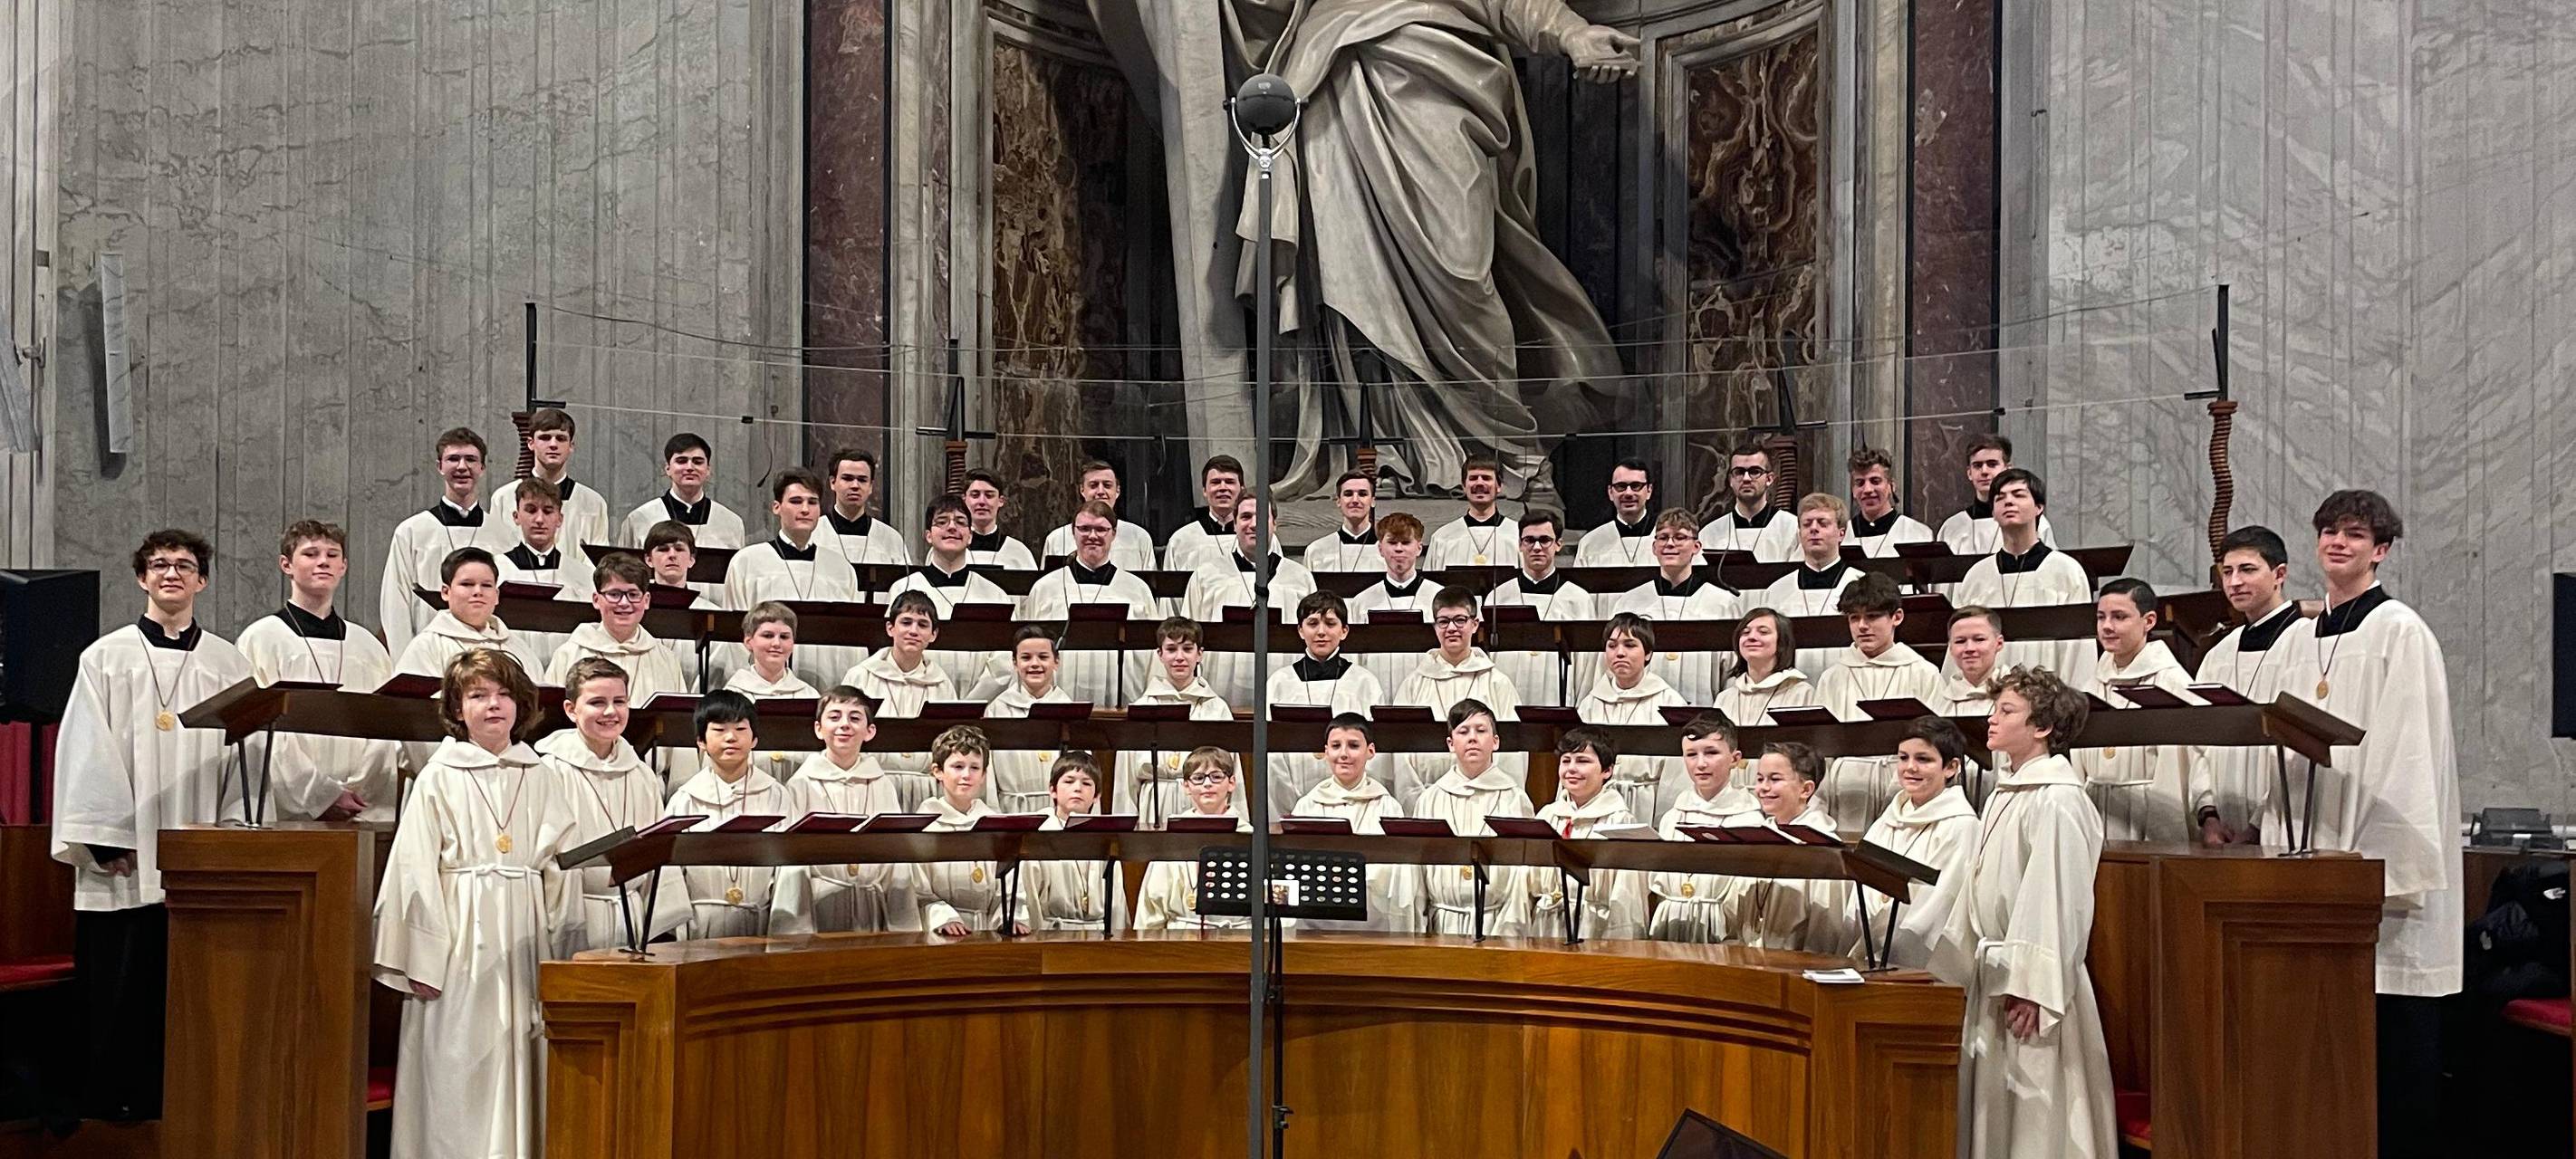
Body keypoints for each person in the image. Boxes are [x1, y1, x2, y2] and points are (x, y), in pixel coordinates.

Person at [51, 531, 271, 1120]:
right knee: (122, 984)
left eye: (184, 565)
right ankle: (116, 1107)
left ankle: (190, 1098)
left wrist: (232, 830)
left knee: (193, 987)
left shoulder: (228, 662)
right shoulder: (106, 657)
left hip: (199, 849)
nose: (171, 574)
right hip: (127, 851)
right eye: (158, 565)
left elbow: (242, 757)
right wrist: (103, 835)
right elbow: (85, 748)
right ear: (142, 578)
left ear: (202, 580)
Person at [2266, 491, 2458, 1159]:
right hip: (2315, 860)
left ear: (2381, 550)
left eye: (2354, 534)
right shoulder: (2301, 636)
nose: (2337, 543)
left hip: (2373, 874)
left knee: (2393, 1048)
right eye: (2327, 531)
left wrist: (2373, 867)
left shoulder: (2399, 631)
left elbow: (2409, 755)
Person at [371, 647, 582, 1159]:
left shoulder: (543, 774)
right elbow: (413, 872)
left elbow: (560, 867)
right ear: (457, 708)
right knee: (458, 1061)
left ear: (522, 705)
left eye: (505, 695)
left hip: (526, 937)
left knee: (524, 1053)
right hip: (459, 942)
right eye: (479, 695)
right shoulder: (439, 776)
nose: (494, 706)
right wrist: (420, 957)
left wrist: (563, 952)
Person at [1934, 665, 2115, 1159]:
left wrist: (2031, 987)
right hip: (1996, 973)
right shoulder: (2005, 792)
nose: (1991, 719)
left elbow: (2056, 898)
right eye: (1994, 708)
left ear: (2043, 727)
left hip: (2033, 989)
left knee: (2038, 1124)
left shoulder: (2058, 800)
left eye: (2006, 710)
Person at [237, 520, 400, 822]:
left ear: (344, 566)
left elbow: (386, 727)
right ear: (286, 564)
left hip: (363, 805)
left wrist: (356, 789)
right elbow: (259, 728)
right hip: (289, 805)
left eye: (332, 554)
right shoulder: (261, 640)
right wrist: (321, 794)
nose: (323, 561)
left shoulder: (368, 647)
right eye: (310, 554)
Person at [540, 657, 687, 951]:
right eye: (597, 702)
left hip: (630, 914)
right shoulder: (550, 770)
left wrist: (659, 923)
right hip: (575, 913)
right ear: (571, 710)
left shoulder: (640, 772)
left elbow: (656, 848)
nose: (610, 712)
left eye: (619, 701)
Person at [769, 689, 919, 935]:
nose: (844, 725)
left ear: (870, 731)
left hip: (872, 903)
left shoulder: (882, 784)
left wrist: (903, 925)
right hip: (821, 905)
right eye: (835, 717)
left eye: (855, 718)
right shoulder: (801, 784)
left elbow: (896, 853)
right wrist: (795, 930)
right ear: (818, 728)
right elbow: (792, 859)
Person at [2186, 525, 2300, 843]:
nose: (2234, 582)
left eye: (2248, 570)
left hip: (2283, 824)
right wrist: (2208, 814)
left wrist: (2261, 824)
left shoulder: (2304, 644)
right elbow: (2198, 742)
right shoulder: (2218, 654)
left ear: (2280, 574)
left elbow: (2301, 747)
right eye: (2228, 571)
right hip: (2220, 829)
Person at [1812, 574, 1942, 830]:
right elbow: (1821, 746)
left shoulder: (1923, 672)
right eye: (1854, 618)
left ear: (1897, 617)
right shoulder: (1833, 676)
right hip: (1846, 786)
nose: (1862, 626)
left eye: (1872, 616)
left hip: (1901, 782)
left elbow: (1935, 742)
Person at [2077, 579, 2203, 843]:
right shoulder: (2094, 681)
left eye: (2119, 617)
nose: (2107, 627)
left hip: (2148, 810)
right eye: (2101, 617)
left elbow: (2188, 761)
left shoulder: (2173, 682)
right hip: (2095, 807)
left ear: (2149, 621)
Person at [662, 689, 790, 937]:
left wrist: (783, 923)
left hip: (761, 922)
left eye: (741, 729)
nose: (731, 737)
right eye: (719, 730)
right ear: (701, 741)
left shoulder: (776, 795)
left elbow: (789, 865)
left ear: (754, 739)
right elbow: (670, 872)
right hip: (700, 923)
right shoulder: (685, 799)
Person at [1856, 717, 1981, 968]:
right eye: (1903, 758)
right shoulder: (1886, 820)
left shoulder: (1961, 825)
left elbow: (1941, 902)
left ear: (1951, 767)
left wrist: (1890, 944)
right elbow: (1861, 880)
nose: (1910, 767)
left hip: (1919, 961)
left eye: (1923, 759)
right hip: (1872, 950)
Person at [725, 467, 865, 688]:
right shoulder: (748, 562)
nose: (805, 509)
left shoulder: (840, 568)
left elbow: (853, 637)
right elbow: (734, 633)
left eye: (812, 502)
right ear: (776, 507)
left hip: (829, 679)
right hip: (764, 685)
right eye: (796, 501)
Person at [380, 426, 514, 656]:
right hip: (430, 651)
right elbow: (395, 603)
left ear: (482, 468)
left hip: (489, 653)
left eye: (471, 459)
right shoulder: (413, 531)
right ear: (440, 466)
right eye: (453, 459)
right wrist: (406, 661)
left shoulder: (503, 535)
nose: (462, 467)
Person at [1410, 700, 1534, 936]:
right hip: (1443, 922)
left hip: (1496, 920)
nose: (1472, 738)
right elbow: (1417, 873)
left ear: (1495, 742)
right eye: (1463, 731)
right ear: (1450, 744)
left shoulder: (1514, 799)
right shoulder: (1430, 799)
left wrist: (1509, 931)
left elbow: (1523, 874)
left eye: (1481, 730)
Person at [1389, 586, 1524, 800]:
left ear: (1474, 624)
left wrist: (1498, 795)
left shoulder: (1497, 682)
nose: (1451, 628)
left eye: (1460, 620)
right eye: (1443, 621)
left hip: (1486, 794)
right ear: (1435, 627)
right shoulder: (1414, 683)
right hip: (1427, 796)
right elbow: (1400, 748)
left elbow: (1512, 751)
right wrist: (1416, 799)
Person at [1180, 495, 1318, 705]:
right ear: (1235, 524)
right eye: (1245, 517)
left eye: (1262, 517)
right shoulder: (1206, 576)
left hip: (1285, 692)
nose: (1254, 524)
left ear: (1275, 524)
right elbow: (1187, 636)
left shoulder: (1300, 578)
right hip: (1220, 692)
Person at [1953, 467, 2091, 676]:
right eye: (2000, 498)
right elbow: (1960, 640)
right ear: (1993, 512)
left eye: (2018, 495)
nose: (2008, 502)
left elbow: (2080, 650)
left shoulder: (2066, 571)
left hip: (2049, 695)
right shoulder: (1976, 576)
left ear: (2038, 507)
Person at [1015, 501, 1157, 704]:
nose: (1092, 536)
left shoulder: (1137, 589)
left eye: (1101, 529)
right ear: (1073, 532)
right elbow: (1027, 645)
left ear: (1113, 534)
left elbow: (1152, 654)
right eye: (1085, 529)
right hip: (1057, 701)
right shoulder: (1046, 588)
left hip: (1122, 701)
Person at [1287, 715, 1419, 933]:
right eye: (1336, 746)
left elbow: (1399, 876)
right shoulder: (1307, 806)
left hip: (1372, 923)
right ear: (1326, 751)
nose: (1344, 754)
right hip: (1314, 922)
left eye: (1354, 745)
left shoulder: (1387, 807)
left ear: (1371, 751)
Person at [1263, 591, 1388, 816]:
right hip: (1291, 794)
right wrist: (1296, 804)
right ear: (1301, 630)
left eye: (1330, 624)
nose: (1321, 632)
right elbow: (1272, 755)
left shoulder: (1364, 682)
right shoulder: (1279, 682)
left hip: (1354, 801)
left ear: (1344, 631)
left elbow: (1374, 749)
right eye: (1312, 623)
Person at [1720, 742, 1851, 953]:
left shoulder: (1823, 849)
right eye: (1760, 778)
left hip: (1796, 969)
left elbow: (1826, 931)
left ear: (1806, 789)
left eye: (1775, 779)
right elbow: (1735, 909)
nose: (1762, 788)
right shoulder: (1756, 837)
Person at [1646, 713, 1764, 943]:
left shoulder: (1749, 821)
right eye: (1691, 755)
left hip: (1722, 927)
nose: (1701, 764)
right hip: (1670, 920)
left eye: (1711, 753)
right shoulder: (1673, 817)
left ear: (1735, 758)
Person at [1528, 727, 1648, 940]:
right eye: (1566, 761)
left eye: (1582, 761)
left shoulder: (1619, 821)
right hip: (1544, 926)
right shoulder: (1547, 816)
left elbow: (1627, 898)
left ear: (1607, 771)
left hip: (1595, 930)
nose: (1571, 769)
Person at [1610, 509, 1741, 703]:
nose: (1670, 544)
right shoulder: (1630, 602)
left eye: (1680, 537)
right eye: (1663, 537)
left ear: (1696, 546)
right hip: (1642, 708)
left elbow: (1732, 668)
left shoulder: (1722, 602)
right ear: (1654, 547)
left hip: (1702, 705)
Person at [841, 592, 958, 805]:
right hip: (872, 783)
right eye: (906, 622)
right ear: (890, 628)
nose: (913, 631)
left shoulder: (942, 683)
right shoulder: (861, 676)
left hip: (928, 787)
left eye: (923, 624)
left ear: (933, 634)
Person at [889, 493, 1015, 691]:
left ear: (970, 535)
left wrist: (974, 703)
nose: (952, 527)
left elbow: (1004, 661)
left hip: (980, 707)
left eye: (960, 522)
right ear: (928, 535)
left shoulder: (995, 594)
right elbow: (895, 650)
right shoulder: (902, 589)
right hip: (917, 695)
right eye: (942, 521)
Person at [912, 725, 1030, 935]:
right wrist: (942, 917)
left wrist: (1008, 918)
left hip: (988, 930)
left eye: (974, 768)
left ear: (984, 775)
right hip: (940, 932)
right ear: (937, 771)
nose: (966, 775)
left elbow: (1010, 885)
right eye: (958, 766)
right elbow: (918, 889)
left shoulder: (995, 825)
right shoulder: (924, 826)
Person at [1120, 618, 1233, 826]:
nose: (1179, 657)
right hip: (1154, 802)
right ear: (1160, 655)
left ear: (1200, 654)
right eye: (1171, 649)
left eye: (1187, 649)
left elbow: (1233, 776)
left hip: (1205, 805)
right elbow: (1125, 781)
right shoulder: (1142, 708)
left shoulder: (1217, 708)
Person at [1576, 613, 1689, 819]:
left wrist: (1664, 820)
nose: (1619, 653)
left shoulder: (1670, 703)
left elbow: (1676, 775)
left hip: (1647, 800)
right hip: (1597, 803)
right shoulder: (1591, 703)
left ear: (1648, 653)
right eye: (1612, 646)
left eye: (1630, 645)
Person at [1137, 748, 1263, 931]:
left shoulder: (1249, 837)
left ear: (1232, 783)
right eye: (1198, 778)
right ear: (1186, 786)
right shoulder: (1171, 838)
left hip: (1238, 935)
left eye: (1216, 777)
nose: (1207, 784)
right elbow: (1151, 908)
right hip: (1179, 937)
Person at [545, 553, 687, 709]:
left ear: (646, 601)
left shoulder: (666, 660)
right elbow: (551, 715)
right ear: (596, 600)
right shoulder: (568, 655)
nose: (624, 603)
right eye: (614, 594)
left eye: (633, 595)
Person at [395, 547, 539, 679]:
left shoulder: (518, 648)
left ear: (496, 595)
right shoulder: (426, 647)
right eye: (467, 584)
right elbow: (409, 705)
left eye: (486, 585)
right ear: (446, 592)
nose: (478, 592)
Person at [1757, 493, 1861, 675]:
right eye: (1807, 524)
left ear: (1841, 533)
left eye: (1823, 523)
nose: (1814, 529)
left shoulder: (1860, 584)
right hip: (1790, 690)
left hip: (1847, 684)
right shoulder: (1776, 591)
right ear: (1799, 533)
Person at [719, 601, 821, 786]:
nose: (776, 643)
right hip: (748, 787)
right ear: (748, 642)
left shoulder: (809, 694)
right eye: (767, 635)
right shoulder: (733, 694)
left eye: (784, 637)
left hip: (802, 786)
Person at [981, 626, 1075, 814]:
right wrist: (993, 812)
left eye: (1043, 657)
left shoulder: (1069, 709)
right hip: (1011, 808)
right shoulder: (998, 709)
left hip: (1057, 809)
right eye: (1026, 658)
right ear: (1015, 663)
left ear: (1057, 662)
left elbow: (1080, 768)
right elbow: (988, 770)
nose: (1034, 664)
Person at [490, 407, 614, 549]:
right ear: (530, 443)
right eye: (545, 438)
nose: (553, 445)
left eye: (561, 439)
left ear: (571, 445)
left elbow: (597, 562)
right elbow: (496, 552)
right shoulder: (503, 498)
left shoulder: (593, 502)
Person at [1026, 752, 1120, 933]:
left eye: (1086, 783)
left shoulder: (1105, 837)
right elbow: (1030, 897)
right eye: (1069, 781)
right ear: (1052, 790)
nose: (1077, 788)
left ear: (1096, 796)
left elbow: (1117, 901)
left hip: (1098, 934)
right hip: (1052, 934)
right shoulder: (1039, 835)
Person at [493, 478, 581, 665]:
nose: (539, 519)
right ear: (516, 516)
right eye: (531, 510)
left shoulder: (581, 575)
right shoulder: (497, 570)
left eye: (548, 511)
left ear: (560, 519)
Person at [1344, 512, 1434, 692]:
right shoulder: (1362, 602)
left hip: (1425, 690)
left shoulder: (1437, 597)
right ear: (1380, 548)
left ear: (1419, 548)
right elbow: (1354, 658)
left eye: (1406, 542)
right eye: (1392, 543)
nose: (1399, 549)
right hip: (1375, 687)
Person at [1931, 606, 2009, 805]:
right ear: (1950, 648)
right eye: (1960, 641)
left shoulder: (2016, 697)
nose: (1969, 648)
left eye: (1979, 639)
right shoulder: (1939, 701)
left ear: (1999, 643)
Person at [619, 432, 747, 548]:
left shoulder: (731, 522)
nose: (690, 467)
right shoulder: (639, 519)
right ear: (667, 469)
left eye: (698, 462)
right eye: (681, 461)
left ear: (708, 470)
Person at [1936, 434, 2057, 556]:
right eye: (1977, 465)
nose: (1984, 471)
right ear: (1969, 473)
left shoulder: (2032, 521)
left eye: (1992, 464)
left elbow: (2049, 566)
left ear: (2007, 468)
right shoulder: (1952, 527)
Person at [1039, 460, 1157, 571]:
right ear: (1082, 490)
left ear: (1118, 491)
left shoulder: (1138, 537)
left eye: (1107, 485)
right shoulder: (1057, 539)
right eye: (1093, 485)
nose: (1100, 491)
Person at [1711, 608, 1817, 731]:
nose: (1752, 637)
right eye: (1745, 632)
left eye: (1763, 632)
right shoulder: (1725, 698)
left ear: (1782, 642)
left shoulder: (1801, 693)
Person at [818, 446, 911, 577]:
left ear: (871, 487)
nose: (855, 486)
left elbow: (903, 588)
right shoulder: (815, 533)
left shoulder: (891, 539)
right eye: (847, 478)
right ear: (833, 483)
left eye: (862, 480)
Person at [1699, 442, 1798, 562]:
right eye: (1739, 472)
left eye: (1755, 472)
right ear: (1730, 480)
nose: (1746, 479)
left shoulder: (1792, 528)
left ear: (1769, 479)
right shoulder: (1710, 533)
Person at [1425, 457, 1517, 570]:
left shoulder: (1518, 535)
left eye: (1486, 478)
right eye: (1473, 478)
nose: (1479, 483)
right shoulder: (1442, 537)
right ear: (1464, 486)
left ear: (1499, 486)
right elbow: (1430, 584)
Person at [1161, 455, 1245, 574]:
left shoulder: (1261, 538)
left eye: (1229, 482)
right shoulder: (1181, 539)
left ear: (1241, 489)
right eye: (1215, 482)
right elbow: (1170, 589)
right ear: (1204, 491)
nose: (1223, 488)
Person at [1844, 447, 1934, 557]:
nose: (1867, 490)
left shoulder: (1918, 533)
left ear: (1891, 486)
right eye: (1860, 483)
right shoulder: (1840, 535)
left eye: (1875, 481)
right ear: (1853, 490)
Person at [1573, 458, 1658, 565]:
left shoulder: (1668, 539)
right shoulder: (1590, 542)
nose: (1628, 493)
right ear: (1610, 492)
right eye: (1621, 486)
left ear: (1649, 490)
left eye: (1636, 486)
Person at [1300, 468, 1385, 573]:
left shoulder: (1389, 551)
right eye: (1348, 494)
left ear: (1372, 501)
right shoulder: (1317, 551)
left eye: (1362, 494)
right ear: (1338, 501)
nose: (1355, 500)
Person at [958, 469, 1037, 569]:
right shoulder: (948, 549)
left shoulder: (1018, 552)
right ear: (964, 499)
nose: (982, 501)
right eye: (975, 495)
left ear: (1001, 501)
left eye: (989, 495)